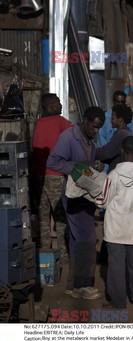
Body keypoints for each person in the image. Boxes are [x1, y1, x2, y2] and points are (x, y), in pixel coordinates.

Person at [47, 106, 106, 300]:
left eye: (99, 128)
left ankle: (73, 285)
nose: (96, 131)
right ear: (85, 121)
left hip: (85, 194)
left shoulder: (88, 138)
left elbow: (86, 164)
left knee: (76, 239)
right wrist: (79, 166)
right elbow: (53, 162)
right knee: (87, 238)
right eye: (94, 127)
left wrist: (94, 165)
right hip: (73, 195)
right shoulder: (68, 137)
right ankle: (82, 286)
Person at [95, 136, 133, 309]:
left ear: (122, 151)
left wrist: (96, 197)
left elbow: (103, 201)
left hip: (116, 229)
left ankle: (118, 301)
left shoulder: (113, 175)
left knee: (116, 268)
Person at [31, 93, 72, 259]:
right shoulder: (60, 121)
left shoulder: (38, 123)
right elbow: (75, 134)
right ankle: (63, 254)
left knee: (43, 216)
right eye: (56, 103)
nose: (60, 106)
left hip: (39, 176)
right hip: (55, 175)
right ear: (48, 105)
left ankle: (44, 252)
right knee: (60, 215)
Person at [95, 104, 133, 171]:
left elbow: (105, 153)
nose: (110, 121)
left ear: (120, 120)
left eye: (113, 118)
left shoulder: (120, 135)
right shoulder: (127, 132)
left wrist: (91, 152)